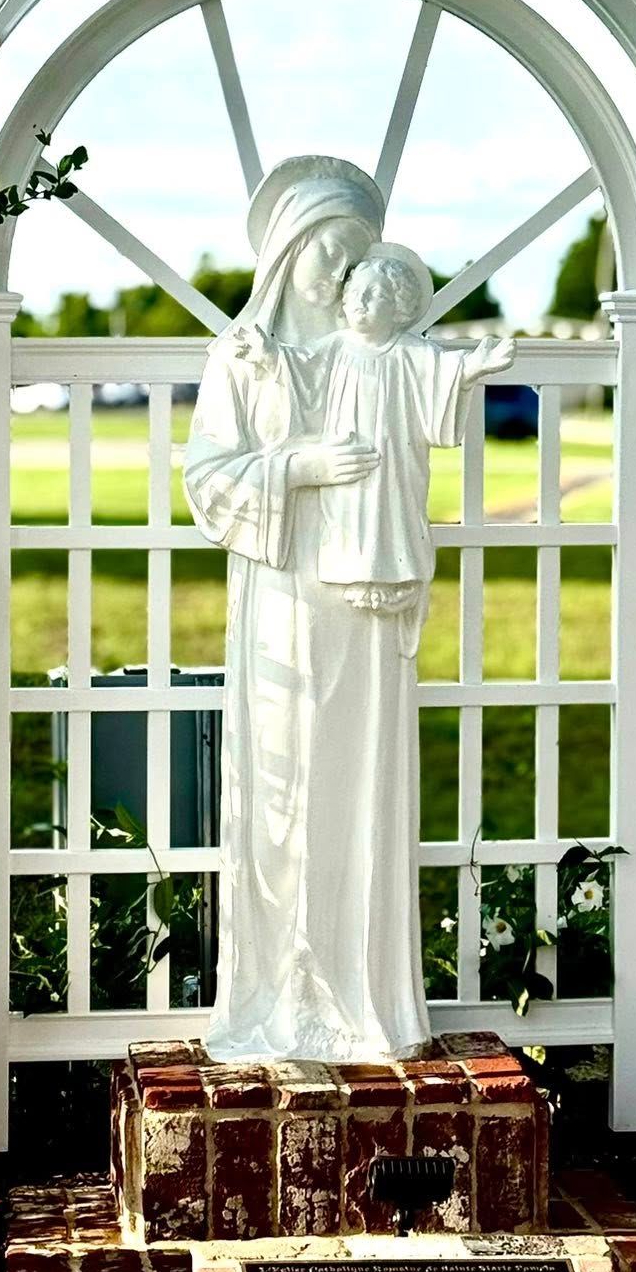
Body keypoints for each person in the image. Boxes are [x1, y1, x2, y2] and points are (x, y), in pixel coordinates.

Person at [183, 158, 433, 1063]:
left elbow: (419, 443)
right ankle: (279, 996)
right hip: (283, 597)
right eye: (331, 246)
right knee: (285, 788)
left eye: (357, 253)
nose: (342, 269)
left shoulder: (379, 357)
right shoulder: (243, 359)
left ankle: (362, 997)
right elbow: (206, 478)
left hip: (362, 602)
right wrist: (298, 465)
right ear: (290, 251)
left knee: (359, 779)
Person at [235, 242, 515, 654]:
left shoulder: (412, 352)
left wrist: (473, 369)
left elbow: (443, 377)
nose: (361, 303)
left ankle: (396, 575)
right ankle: (355, 570)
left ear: (398, 305)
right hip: (348, 469)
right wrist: (271, 356)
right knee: (353, 518)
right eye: (355, 294)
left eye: (376, 294)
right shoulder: (335, 348)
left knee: (392, 514)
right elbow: (302, 369)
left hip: (396, 466)